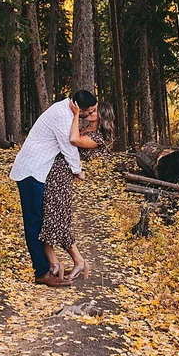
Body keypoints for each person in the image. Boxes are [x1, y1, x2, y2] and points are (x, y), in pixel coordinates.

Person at [9, 90, 97, 287]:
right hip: (31, 171)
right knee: (33, 222)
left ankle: (49, 266)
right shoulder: (61, 116)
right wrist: (78, 170)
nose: (89, 115)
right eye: (88, 111)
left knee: (39, 219)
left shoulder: (64, 111)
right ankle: (41, 272)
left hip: (38, 171)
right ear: (79, 109)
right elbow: (68, 147)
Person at [39, 100, 114, 281]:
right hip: (56, 171)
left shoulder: (97, 137)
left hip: (61, 177)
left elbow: (72, 140)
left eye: (95, 110)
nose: (89, 111)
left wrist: (74, 115)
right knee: (51, 217)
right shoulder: (88, 130)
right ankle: (60, 262)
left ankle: (69, 262)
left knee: (53, 218)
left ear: (102, 115)